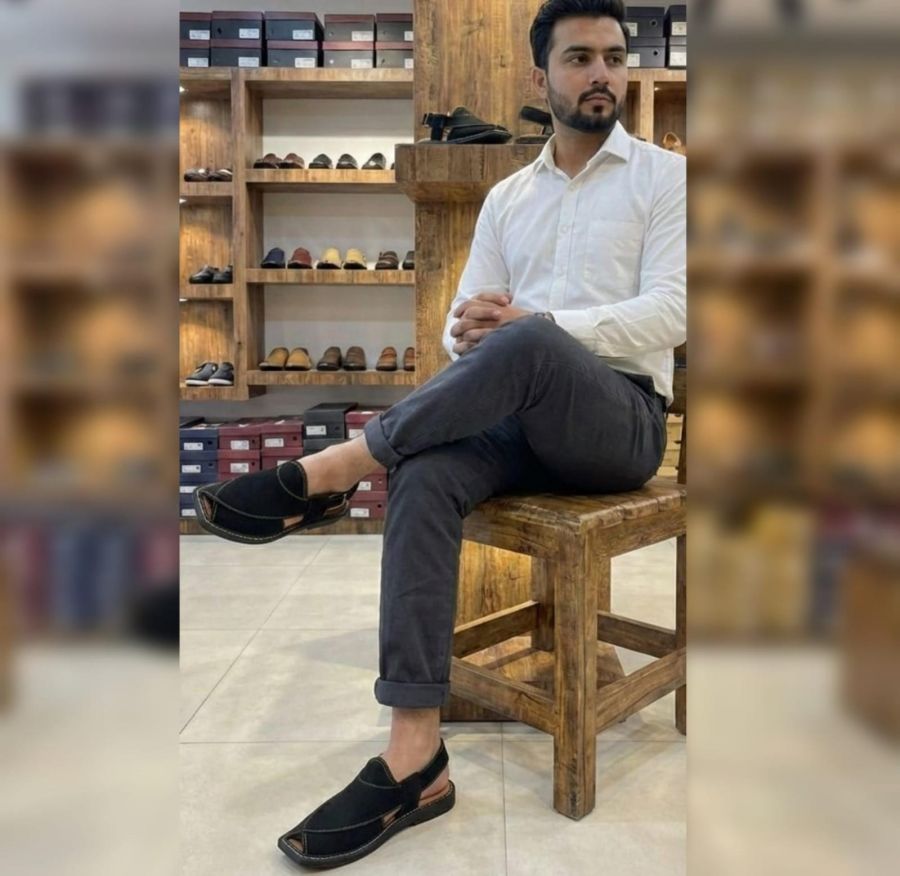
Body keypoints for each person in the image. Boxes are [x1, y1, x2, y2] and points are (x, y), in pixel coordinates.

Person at [193, 0, 685, 867]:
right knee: (423, 471)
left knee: (531, 340)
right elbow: (466, 328)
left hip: (622, 421)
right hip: (520, 417)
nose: (601, 73)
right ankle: (415, 757)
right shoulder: (508, 196)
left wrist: (538, 326)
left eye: (613, 56)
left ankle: (337, 466)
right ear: (542, 76)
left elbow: (674, 311)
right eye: (580, 58)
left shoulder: (665, 178)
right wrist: (477, 332)